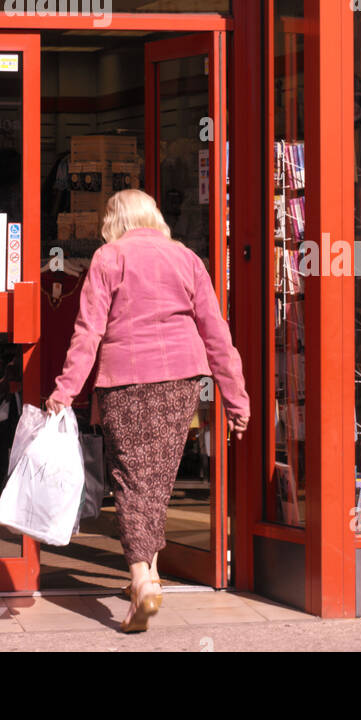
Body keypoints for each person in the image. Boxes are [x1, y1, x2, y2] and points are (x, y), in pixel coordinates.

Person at [46, 189, 249, 633]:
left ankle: (140, 580)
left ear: (113, 222)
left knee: (129, 479)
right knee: (155, 479)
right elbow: (216, 331)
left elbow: (88, 332)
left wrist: (65, 391)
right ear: (154, 216)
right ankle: (151, 574)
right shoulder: (187, 259)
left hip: (126, 380)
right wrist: (235, 397)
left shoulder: (108, 257)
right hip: (181, 382)